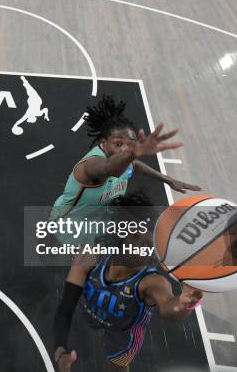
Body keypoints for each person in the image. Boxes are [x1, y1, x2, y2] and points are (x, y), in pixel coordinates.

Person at [53, 192, 204, 371]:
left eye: (145, 245)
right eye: (134, 234)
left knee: (114, 367)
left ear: (152, 258)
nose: (134, 244)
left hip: (124, 334)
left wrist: (184, 303)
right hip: (91, 314)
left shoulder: (151, 282)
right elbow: (66, 306)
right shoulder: (91, 254)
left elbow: (168, 309)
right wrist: (60, 351)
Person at [49, 96, 201, 245]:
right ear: (103, 143)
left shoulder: (126, 161)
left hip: (99, 223)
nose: (124, 150)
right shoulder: (91, 165)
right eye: (118, 144)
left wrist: (168, 180)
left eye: (130, 145)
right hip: (70, 228)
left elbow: (134, 165)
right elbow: (109, 168)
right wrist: (132, 153)